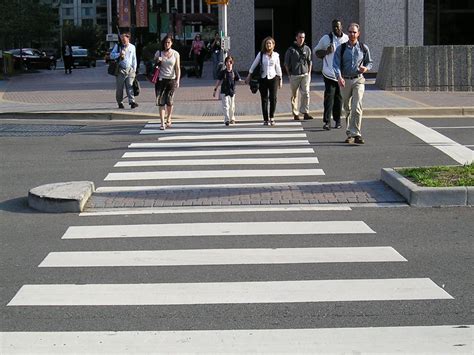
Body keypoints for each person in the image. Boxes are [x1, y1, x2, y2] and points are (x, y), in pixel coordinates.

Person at [333, 23, 373, 144]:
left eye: (354, 32)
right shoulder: (342, 48)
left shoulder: (363, 48)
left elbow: (369, 62)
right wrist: (339, 77)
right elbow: (336, 64)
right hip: (345, 80)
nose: (352, 34)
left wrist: (365, 69)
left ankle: (356, 133)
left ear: (358, 34)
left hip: (358, 80)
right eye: (350, 32)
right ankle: (349, 133)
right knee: (347, 108)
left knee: (357, 107)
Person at [315, 19, 348, 130]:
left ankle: (338, 120)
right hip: (329, 73)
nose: (335, 29)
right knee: (329, 97)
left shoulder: (346, 39)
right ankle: (327, 121)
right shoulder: (326, 39)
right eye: (334, 27)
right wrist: (326, 52)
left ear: (341, 27)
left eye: (337, 27)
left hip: (341, 74)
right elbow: (316, 52)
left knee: (339, 98)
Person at [245, 36, 283, 126]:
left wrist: (280, 79)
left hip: (274, 78)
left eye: (270, 43)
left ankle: (272, 117)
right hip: (263, 78)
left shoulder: (276, 55)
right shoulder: (261, 54)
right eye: (267, 43)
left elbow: (278, 67)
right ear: (265, 45)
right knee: (264, 99)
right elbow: (254, 64)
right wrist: (249, 75)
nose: (268, 45)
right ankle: (265, 119)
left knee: (273, 98)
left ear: (273, 45)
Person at [284, 30, 313, 121]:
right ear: (296, 38)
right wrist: (289, 75)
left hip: (305, 74)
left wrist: (309, 73)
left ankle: (305, 112)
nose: (301, 39)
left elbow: (309, 62)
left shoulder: (307, 49)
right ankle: (296, 113)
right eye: (300, 37)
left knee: (306, 93)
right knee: (294, 95)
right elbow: (286, 64)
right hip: (294, 75)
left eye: (303, 37)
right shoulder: (291, 50)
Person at [154, 35, 180, 130]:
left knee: (169, 101)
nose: (166, 44)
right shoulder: (159, 53)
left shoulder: (175, 54)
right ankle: (162, 122)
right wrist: (157, 61)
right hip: (160, 80)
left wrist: (177, 80)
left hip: (171, 80)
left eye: (168, 42)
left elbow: (177, 67)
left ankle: (168, 117)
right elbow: (154, 65)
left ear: (171, 43)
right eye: (165, 42)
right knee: (161, 102)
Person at [110, 31, 139, 109]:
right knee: (120, 88)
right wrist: (119, 54)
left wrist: (134, 69)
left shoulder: (132, 47)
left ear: (128, 38)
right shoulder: (118, 46)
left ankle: (132, 102)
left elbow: (134, 58)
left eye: (124, 38)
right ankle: (120, 102)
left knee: (130, 86)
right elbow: (111, 55)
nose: (123, 40)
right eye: (121, 38)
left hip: (130, 70)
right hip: (120, 70)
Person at [213, 55, 242, 126]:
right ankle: (227, 119)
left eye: (230, 62)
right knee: (226, 106)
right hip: (224, 91)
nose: (229, 63)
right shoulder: (223, 72)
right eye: (227, 62)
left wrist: (247, 81)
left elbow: (239, 80)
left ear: (233, 63)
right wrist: (215, 89)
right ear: (225, 63)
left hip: (232, 91)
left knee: (232, 106)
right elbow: (219, 81)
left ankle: (232, 118)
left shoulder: (234, 72)